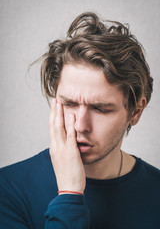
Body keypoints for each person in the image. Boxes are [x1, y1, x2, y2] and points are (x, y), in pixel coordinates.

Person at [0, 12, 160, 229]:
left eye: (100, 109)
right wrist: (69, 194)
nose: (80, 125)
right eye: (69, 104)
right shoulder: (7, 188)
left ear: (136, 112)